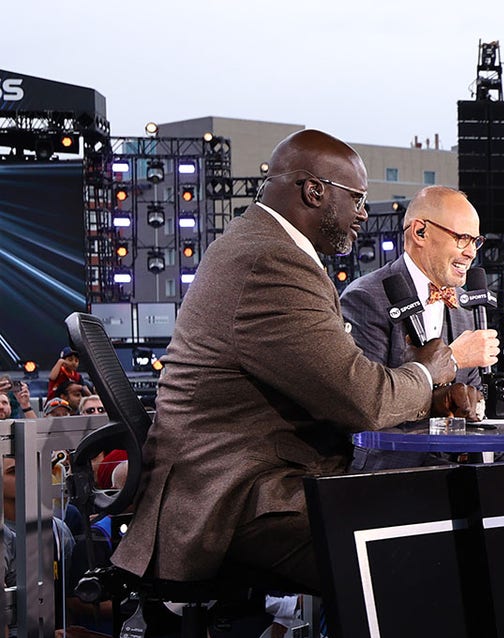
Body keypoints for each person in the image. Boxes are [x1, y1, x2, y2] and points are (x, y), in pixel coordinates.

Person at [111, 129, 481, 594]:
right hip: (232, 496)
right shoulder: (270, 262)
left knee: (433, 516)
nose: (364, 215)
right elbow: (363, 399)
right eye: (358, 199)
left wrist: (430, 395)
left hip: (254, 476)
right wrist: (431, 369)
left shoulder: (264, 247)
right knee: (424, 548)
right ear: (314, 191)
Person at [340, 185, 499, 382]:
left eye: (475, 241)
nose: (472, 252)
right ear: (420, 232)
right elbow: (369, 394)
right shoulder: (365, 297)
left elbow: (471, 394)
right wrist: (453, 359)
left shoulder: (464, 306)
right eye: (462, 238)